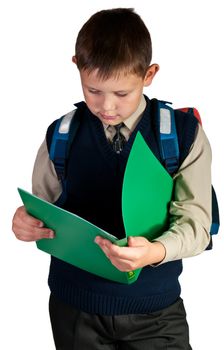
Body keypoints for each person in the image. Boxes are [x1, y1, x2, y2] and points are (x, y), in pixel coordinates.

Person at [12, 8, 212, 350]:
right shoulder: (61, 134)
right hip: (74, 311)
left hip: (156, 312)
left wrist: (156, 251)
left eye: (122, 94)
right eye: (93, 90)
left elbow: (196, 225)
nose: (106, 106)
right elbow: (42, 211)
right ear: (76, 65)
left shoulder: (181, 135)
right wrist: (25, 223)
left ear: (149, 74)